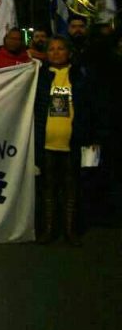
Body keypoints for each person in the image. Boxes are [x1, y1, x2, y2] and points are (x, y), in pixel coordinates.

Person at [34, 36, 99, 245]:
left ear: (69, 52)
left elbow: (91, 108)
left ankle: (71, 231)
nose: (56, 52)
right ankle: (49, 229)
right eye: (51, 49)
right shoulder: (39, 77)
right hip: (46, 143)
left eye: (60, 48)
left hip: (74, 142)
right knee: (48, 188)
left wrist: (92, 137)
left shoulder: (81, 75)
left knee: (72, 188)